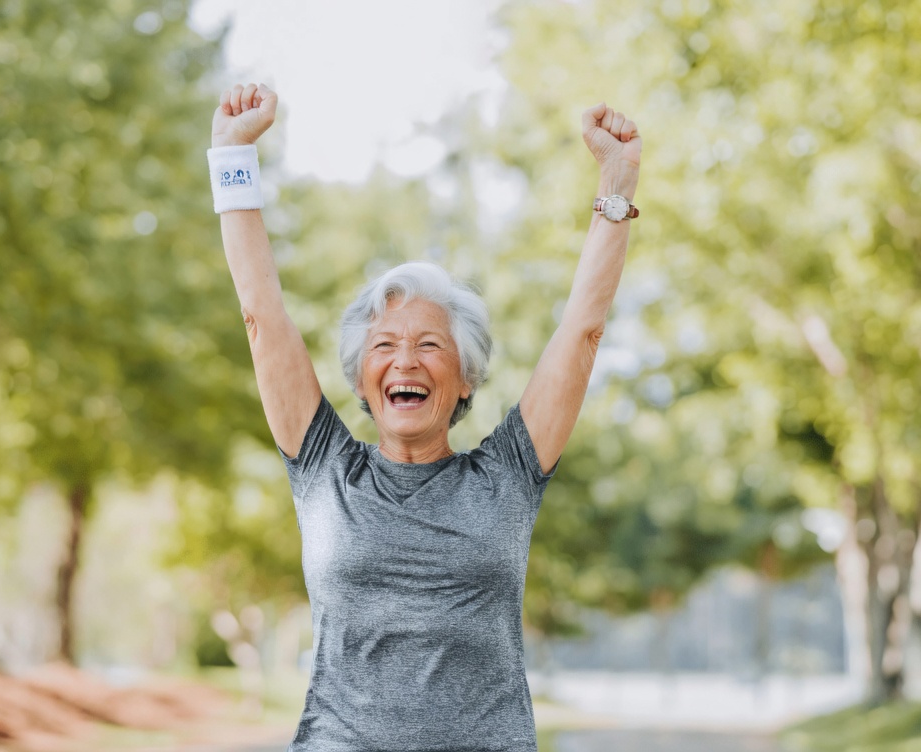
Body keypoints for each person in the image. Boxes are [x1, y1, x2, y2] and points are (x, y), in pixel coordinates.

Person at [208, 82, 641, 752]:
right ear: (361, 377)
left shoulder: (509, 474)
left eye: (429, 345)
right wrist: (232, 158)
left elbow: (583, 330)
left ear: (466, 377)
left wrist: (617, 182)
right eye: (384, 346)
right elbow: (262, 317)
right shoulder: (325, 469)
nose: (404, 361)